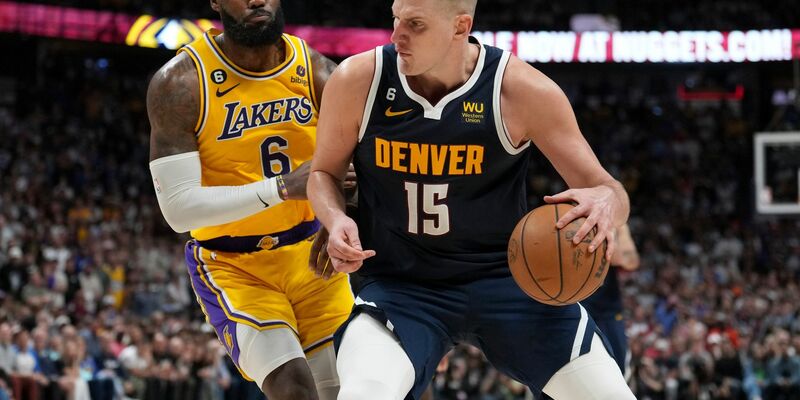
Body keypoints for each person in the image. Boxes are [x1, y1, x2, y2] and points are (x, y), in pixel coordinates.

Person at [307, 0, 637, 398]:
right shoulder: (358, 79)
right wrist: (335, 218)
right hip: (403, 286)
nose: (396, 36)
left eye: (415, 24)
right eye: (395, 20)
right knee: (364, 393)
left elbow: (608, 188)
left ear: (461, 26)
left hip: (512, 281)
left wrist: (605, 203)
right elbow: (323, 173)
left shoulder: (520, 89)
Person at [146, 0, 352, 398]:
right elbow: (178, 209)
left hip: (312, 258)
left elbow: (360, 168)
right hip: (235, 268)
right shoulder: (181, 83)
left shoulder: (317, 71)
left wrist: (340, 216)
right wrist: (281, 187)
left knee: (349, 389)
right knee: (294, 389)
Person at [582, 223, 640, 379]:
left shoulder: (615, 222)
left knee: (619, 365)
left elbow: (629, 262)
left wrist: (617, 231)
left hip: (608, 307)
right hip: (580, 305)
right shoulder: (570, 217)